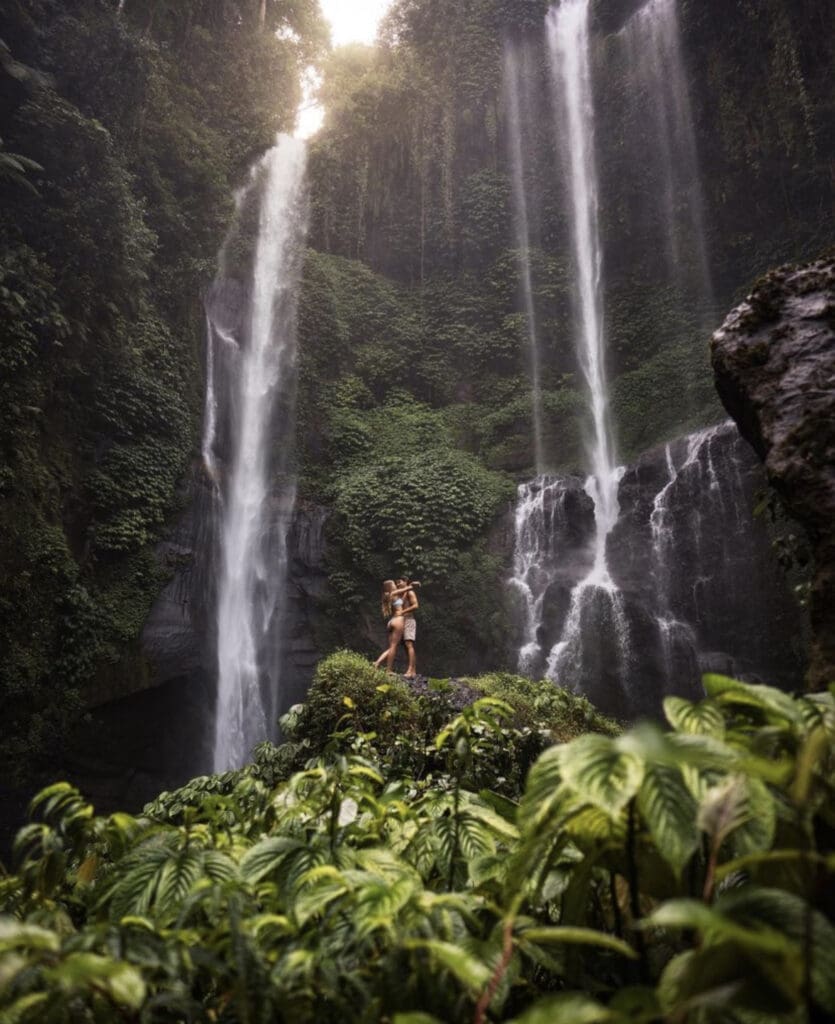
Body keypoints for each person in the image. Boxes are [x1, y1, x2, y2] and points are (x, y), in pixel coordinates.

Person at [373, 580, 405, 672]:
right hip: (398, 619)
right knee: (394, 646)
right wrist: (411, 585)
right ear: (391, 587)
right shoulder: (394, 593)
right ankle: (388, 670)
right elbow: (408, 588)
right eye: (394, 584)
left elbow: (401, 601)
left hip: (392, 621)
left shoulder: (389, 595)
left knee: (391, 647)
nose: (396, 585)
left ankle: (377, 663)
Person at [397, 577, 420, 679]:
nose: (398, 584)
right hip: (402, 621)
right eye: (396, 582)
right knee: (406, 647)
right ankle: (413, 671)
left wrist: (403, 612)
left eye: (399, 582)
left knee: (409, 644)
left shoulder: (410, 592)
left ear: (405, 582)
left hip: (409, 620)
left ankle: (410, 670)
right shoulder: (402, 594)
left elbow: (415, 605)